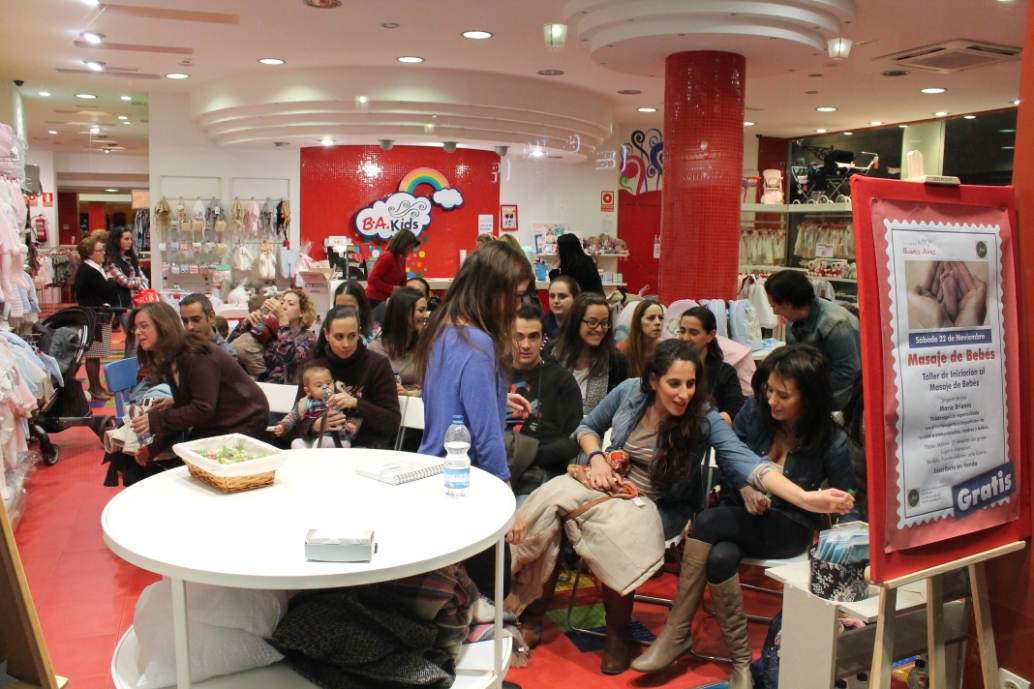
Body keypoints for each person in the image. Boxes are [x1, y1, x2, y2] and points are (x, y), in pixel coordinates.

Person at [515, 341, 853, 675]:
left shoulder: (703, 417)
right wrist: (598, 458)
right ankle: (529, 612)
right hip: (606, 486)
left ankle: (618, 631)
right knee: (548, 503)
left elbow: (746, 463)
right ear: (653, 381)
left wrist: (805, 498)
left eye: (691, 383)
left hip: (657, 505)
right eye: (674, 383)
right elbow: (587, 427)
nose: (684, 393)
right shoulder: (630, 391)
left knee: (616, 529)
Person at [632, 345, 858, 686]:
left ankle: (676, 633)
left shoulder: (831, 439)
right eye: (769, 390)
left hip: (789, 526)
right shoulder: (755, 411)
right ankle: (740, 663)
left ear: (809, 397)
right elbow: (729, 458)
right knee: (720, 557)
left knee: (707, 521)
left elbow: (848, 500)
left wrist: (846, 541)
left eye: (784, 395)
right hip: (738, 513)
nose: (772, 401)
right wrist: (745, 489)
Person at [416, 241, 535, 596]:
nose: (519, 306)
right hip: (467, 483)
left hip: (432, 473)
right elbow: (486, 437)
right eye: (516, 296)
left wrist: (496, 395)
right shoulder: (480, 344)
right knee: (493, 591)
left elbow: (444, 396)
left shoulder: (442, 329)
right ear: (493, 290)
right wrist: (509, 503)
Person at [127, 302, 270, 464]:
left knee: (188, 465)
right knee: (144, 466)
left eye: (144, 326)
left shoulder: (195, 355)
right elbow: (191, 410)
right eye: (135, 328)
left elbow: (202, 409)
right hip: (215, 422)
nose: (137, 332)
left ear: (164, 325)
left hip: (243, 422)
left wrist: (157, 420)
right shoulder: (171, 356)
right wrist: (153, 448)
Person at [287, 306, 401, 449]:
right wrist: (314, 426)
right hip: (320, 449)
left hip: (366, 449)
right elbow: (295, 421)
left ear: (359, 332)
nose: (346, 344)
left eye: (352, 336)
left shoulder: (377, 364)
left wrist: (356, 403)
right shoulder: (314, 368)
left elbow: (392, 422)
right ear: (326, 334)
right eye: (339, 336)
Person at [507, 305, 583, 500]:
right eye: (519, 337)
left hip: (540, 470)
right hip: (496, 465)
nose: (525, 345)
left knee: (521, 515)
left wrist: (530, 456)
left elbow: (573, 439)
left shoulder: (562, 380)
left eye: (533, 337)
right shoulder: (494, 372)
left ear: (543, 339)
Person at [764, 269, 860, 409]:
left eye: (773, 306)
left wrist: (806, 393)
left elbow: (848, 373)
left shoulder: (836, 325)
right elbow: (792, 360)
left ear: (787, 304)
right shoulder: (793, 320)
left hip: (836, 401)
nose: (774, 312)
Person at [547, 292, 628, 415]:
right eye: (592, 322)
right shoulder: (553, 354)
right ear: (576, 322)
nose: (599, 329)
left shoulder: (616, 362)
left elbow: (618, 410)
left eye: (604, 323)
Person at [229, 289, 317, 385]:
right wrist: (245, 324)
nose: (283, 307)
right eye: (282, 303)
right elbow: (229, 348)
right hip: (264, 388)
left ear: (302, 312)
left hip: (290, 391)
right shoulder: (270, 331)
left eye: (290, 304)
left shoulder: (309, 338)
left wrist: (283, 320)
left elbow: (289, 358)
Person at [678, 306, 744, 425]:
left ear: (711, 335)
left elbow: (734, 413)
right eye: (682, 331)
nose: (685, 338)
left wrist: (699, 425)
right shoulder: (671, 368)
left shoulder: (725, 372)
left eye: (693, 333)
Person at [74, 235, 118, 400]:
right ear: (89, 253)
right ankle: (94, 387)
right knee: (93, 353)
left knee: (96, 353)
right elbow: (106, 290)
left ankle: (97, 386)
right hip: (93, 317)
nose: (103, 253)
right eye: (99, 250)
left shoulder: (92, 268)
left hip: (96, 315)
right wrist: (111, 281)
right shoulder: (89, 271)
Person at [274, 365, 359, 442]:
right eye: (318, 386)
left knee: (325, 441)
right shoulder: (304, 403)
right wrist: (283, 426)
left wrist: (352, 423)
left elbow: (355, 413)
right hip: (314, 439)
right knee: (296, 443)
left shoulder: (339, 398)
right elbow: (292, 416)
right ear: (308, 391)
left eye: (328, 383)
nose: (325, 388)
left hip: (338, 440)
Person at [367, 286, 426, 397]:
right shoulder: (375, 348)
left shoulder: (426, 346)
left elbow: (436, 387)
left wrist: (410, 393)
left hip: (419, 403)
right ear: (404, 312)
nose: (426, 315)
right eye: (421, 310)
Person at [104, 228, 148, 358]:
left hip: (136, 303)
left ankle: (128, 365)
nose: (130, 242)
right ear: (117, 240)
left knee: (133, 340)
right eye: (126, 239)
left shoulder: (130, 259)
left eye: (131, 239)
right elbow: (125, 282)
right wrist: (138, 280)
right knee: (134, 340)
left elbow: (143, 279)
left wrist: (136, 280)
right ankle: (129, 367)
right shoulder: (111, 262)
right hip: (122, 305)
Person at [365, 229, 419, 308]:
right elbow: (372, 279)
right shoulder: (388, 256)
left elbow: (402, 281)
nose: (411, 251)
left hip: (389, 299)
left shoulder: (401, 259)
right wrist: (392, 288)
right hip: (375, 300)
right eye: (410, 247)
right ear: (402, 244)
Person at [179, 293, 237, 361]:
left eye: (196, 319)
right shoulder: (180, 348)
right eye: (185, 321)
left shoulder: (226, 354)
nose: (189, 327)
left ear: (211, 317)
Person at [618, 298, 664, 379]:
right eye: (651, 318)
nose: (658, 322)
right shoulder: (621, 349)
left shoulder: (666, 349)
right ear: (638, 322)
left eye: (661, 318)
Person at [545, 275, 580, 340]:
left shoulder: (583, 327)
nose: (556, 301)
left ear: (575, 298)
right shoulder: (542, 325)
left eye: (562, 296)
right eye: (552, 296)